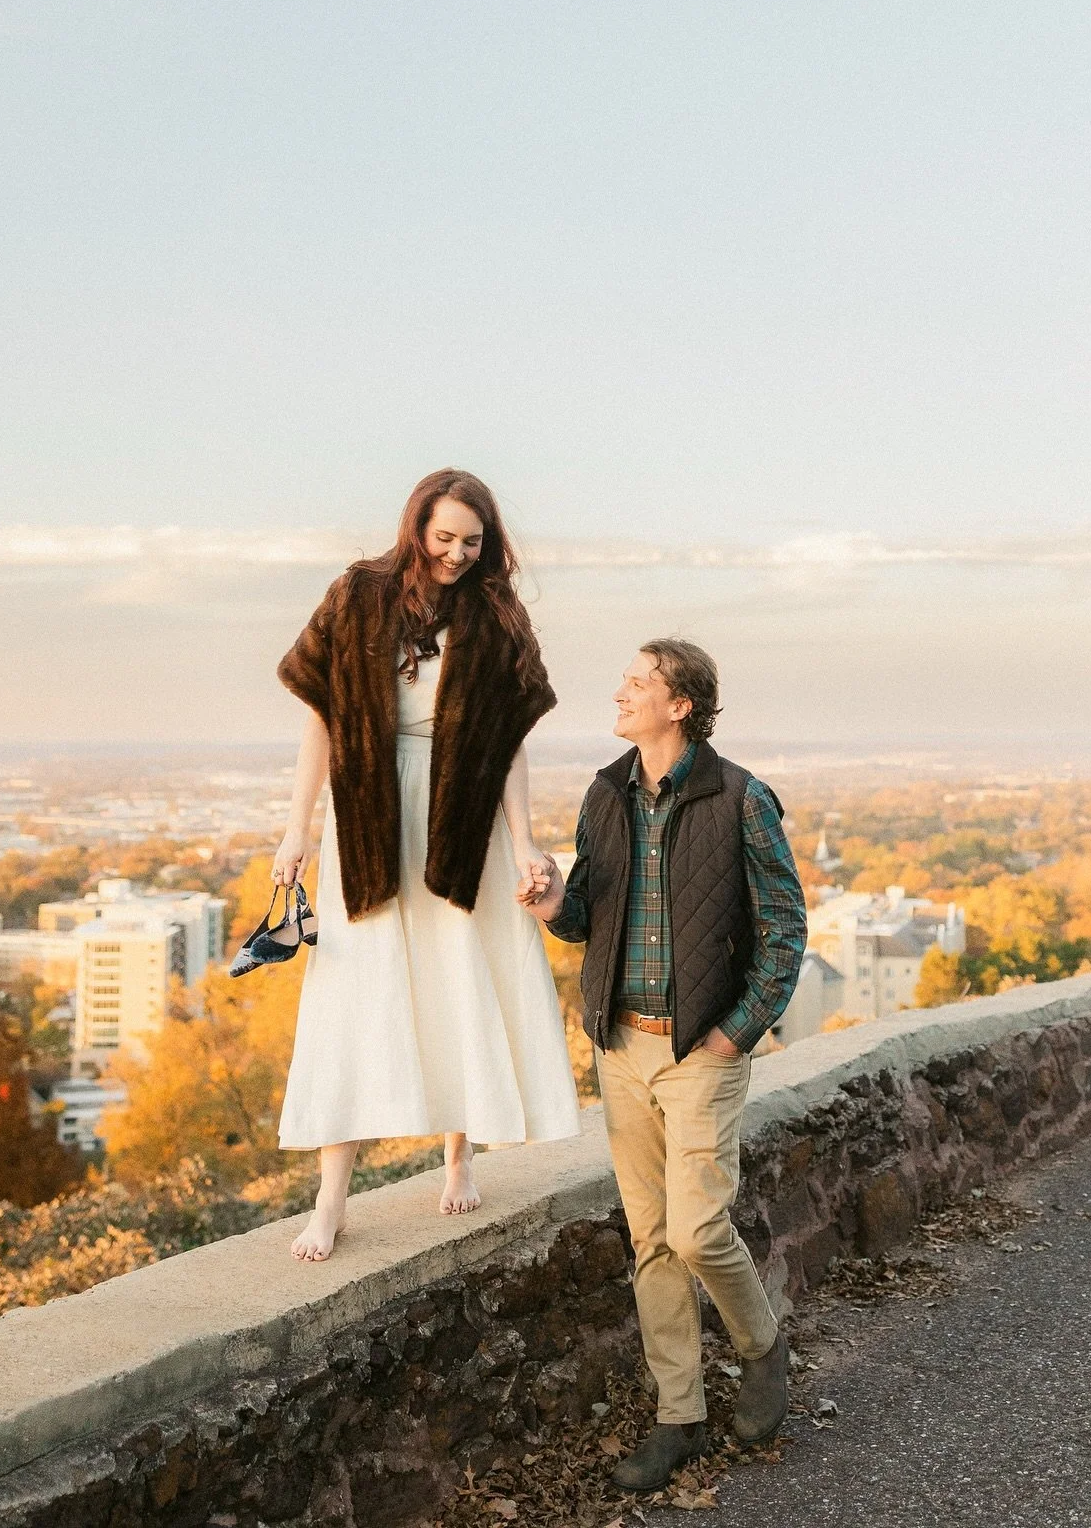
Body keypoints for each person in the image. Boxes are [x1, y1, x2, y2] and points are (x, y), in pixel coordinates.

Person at [273, 468, 581, 1262]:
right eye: (443, 537)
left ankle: (459, 1153)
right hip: (369, 810)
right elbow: (320, 721)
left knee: (459, 969)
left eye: (472, 541)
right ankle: (330, 1200)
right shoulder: (357, 593)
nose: (456, 553)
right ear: (416, 528)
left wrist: (523, 839)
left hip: (462, 811)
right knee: (352, 987)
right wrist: (296, 830)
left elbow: (510, 741)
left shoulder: (496, 611)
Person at [521, 639, 807, 1493]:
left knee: (696, 1229)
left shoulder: (742, 798)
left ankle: (762, 1347)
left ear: (680, 704)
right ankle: (677, 1415)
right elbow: (585, 916)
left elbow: (786, 931)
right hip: (621, 1046)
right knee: (650, 1239)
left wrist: (734, 1033)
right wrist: (548, 905)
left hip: (699, 1051)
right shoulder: (605, 793)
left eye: (638, 682)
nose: (620, 692)